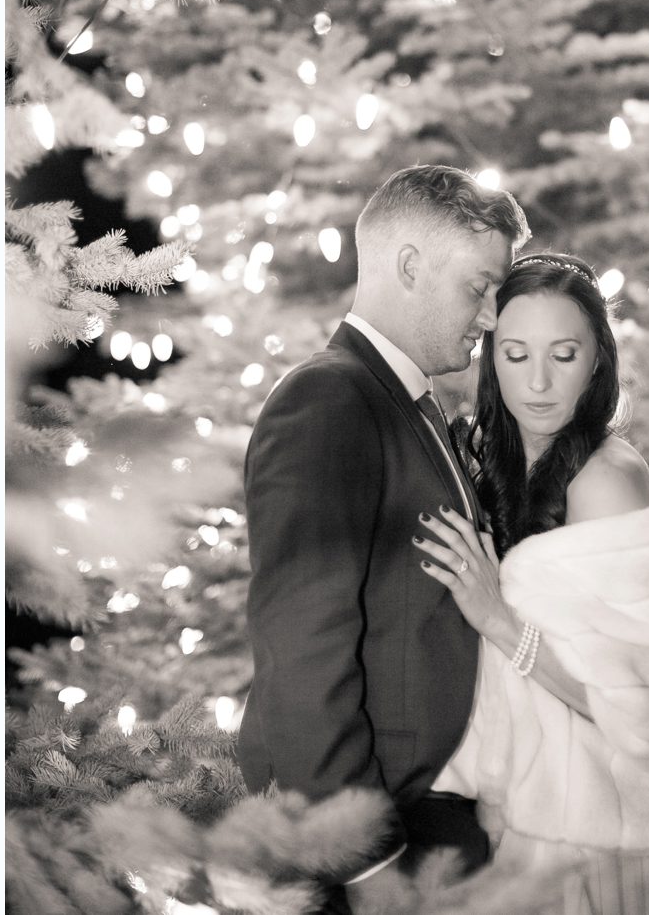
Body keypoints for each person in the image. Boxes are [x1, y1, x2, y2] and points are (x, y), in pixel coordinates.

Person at [238, 165, 530, 907]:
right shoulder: (328, 400)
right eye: (479, 287)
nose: (492, 315)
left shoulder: (411, 404)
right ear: (409, 266)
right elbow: (302, 652)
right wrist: (367, 866)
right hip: (378, 840)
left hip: (432, 823)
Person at [416, 252, 649, 913]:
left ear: (598, 360)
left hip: (590, 837)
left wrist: (499, 620)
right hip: (515, 814)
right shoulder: (489, 457)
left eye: (564, 354)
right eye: (516, 355)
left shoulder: (606, 480)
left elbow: (644, 713)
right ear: (491, 359)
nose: (539, 382)